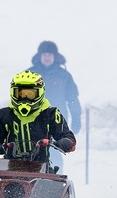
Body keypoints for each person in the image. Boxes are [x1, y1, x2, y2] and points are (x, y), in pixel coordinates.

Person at [0, 72, 77, 169]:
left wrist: (65, 142)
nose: (25, 99)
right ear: (12, 93)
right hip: (9, 168)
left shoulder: (50, 114)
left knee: (59, 183)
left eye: (30, 94)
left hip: (42, 169)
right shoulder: (3, 115)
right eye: (21, 94)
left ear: (40, 93)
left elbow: (67, 136)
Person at [29, 41, 82, 169]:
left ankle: (55, 181)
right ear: (40, 56)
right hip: (32, 119)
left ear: (55, 57)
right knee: (30, 151)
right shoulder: (30, 74)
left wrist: (76, 117)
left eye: (50, 55)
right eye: (45, 54)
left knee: (54, 151)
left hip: (56, 121)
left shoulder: (64, 76)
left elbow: (72, 98)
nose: (47, 57)